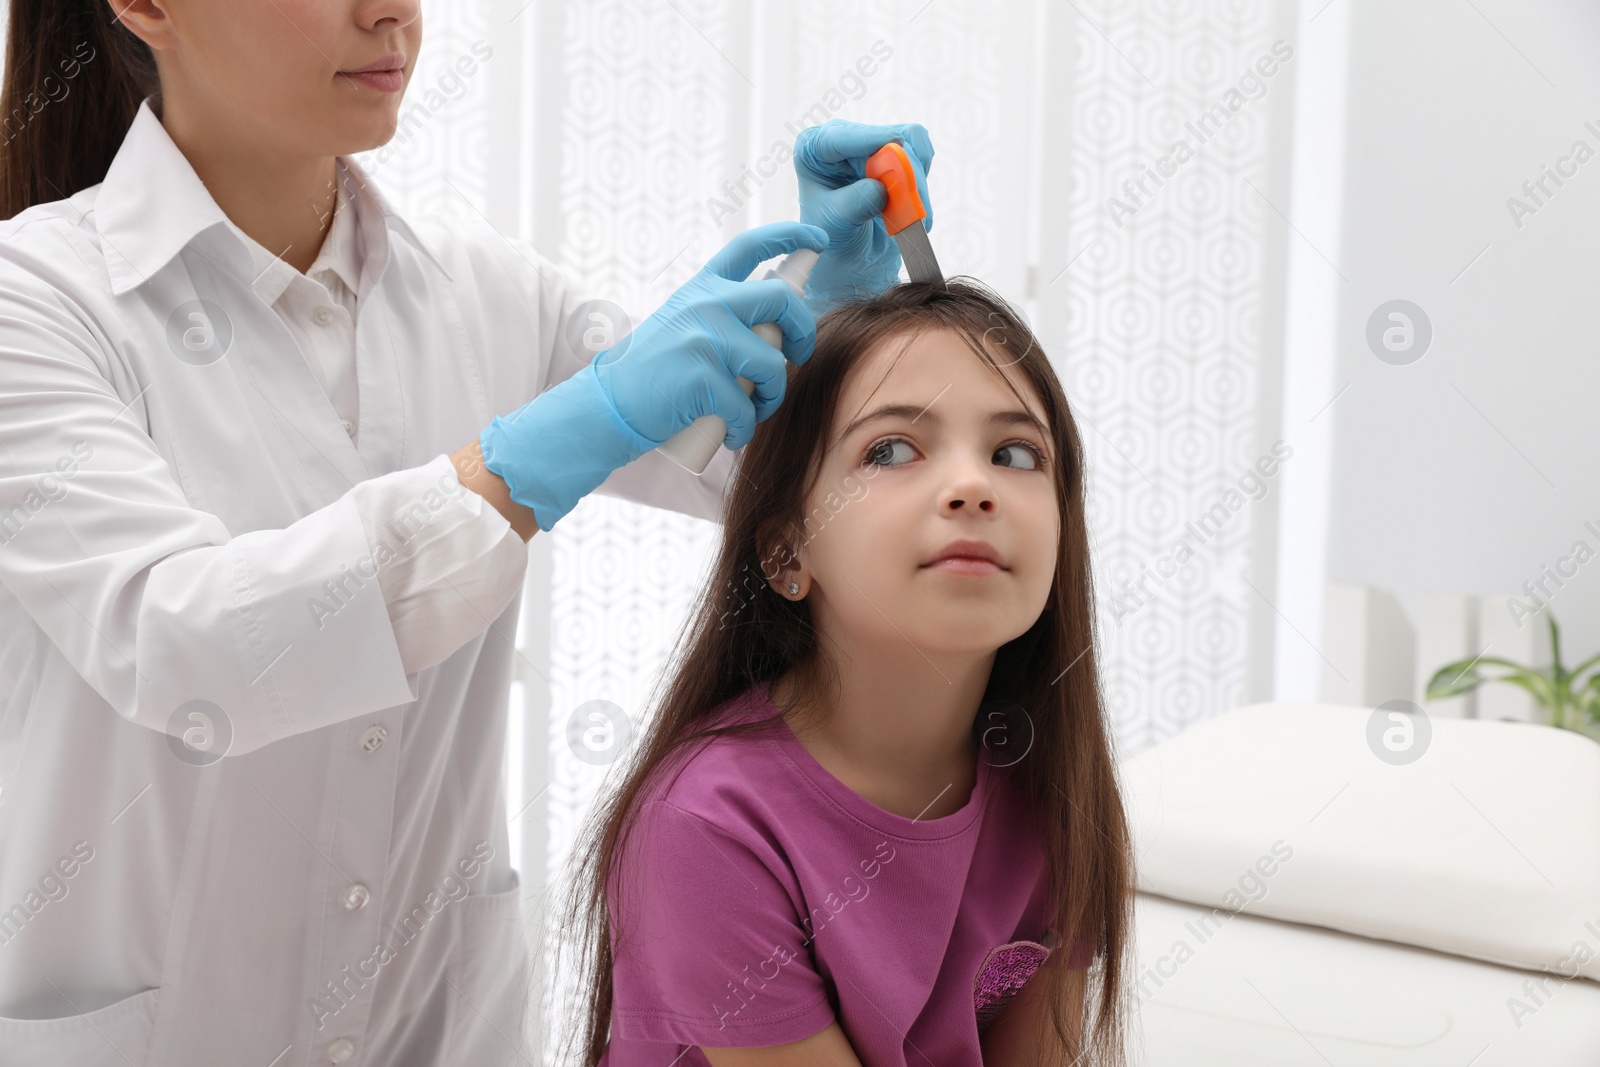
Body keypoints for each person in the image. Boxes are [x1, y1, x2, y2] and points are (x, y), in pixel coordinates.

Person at [0, 1, 936, 1064]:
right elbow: (188, 645)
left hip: (440, 1027)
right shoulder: (33, 303)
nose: (390, 11)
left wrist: (827, 321)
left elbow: (753, 484)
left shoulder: (489, 291)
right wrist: (536, 452)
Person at [557, 280, 1136, 1066]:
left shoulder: (1057, 798)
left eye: (1015, 453)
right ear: (788, 553)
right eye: (890, 449)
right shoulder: (705, 826)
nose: (974, 487)